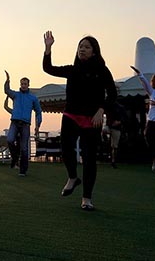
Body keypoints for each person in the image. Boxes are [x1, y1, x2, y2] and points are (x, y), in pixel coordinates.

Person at [43, 31, 116, 211]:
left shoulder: (102, 70)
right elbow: (48, 68)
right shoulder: (72, 69)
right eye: (80, 47)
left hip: (92, 119)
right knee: (66, 147)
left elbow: (113, 93)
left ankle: (87, 198)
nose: (82, 49)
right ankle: (73, 177)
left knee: (89, 159)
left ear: (94, 51)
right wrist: (48, 48)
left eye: (86, 47)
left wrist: (101, 110)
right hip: (71, 115)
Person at [3, 71, 43, 176]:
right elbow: (7, 90)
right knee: (10, 139)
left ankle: (23, 170)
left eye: (25, 84)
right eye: (22, 84)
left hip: (25, 124)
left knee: (24, 148)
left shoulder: (33, 98)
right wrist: (7, 80)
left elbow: (38, 112)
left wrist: (38, 125)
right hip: (15, 122)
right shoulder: (16, 95)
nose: (23, 85)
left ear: (28, 85)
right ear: (20, 84)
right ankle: (15, 158)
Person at [105, 102, 127, 169]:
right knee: (104, 131)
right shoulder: (108, 105)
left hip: (116, 128)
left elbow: (125, 118)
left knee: (115, 146)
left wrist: (119, 122)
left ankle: (113, 161)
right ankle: (106, 141)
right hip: (109, 126)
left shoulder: (121, 107)